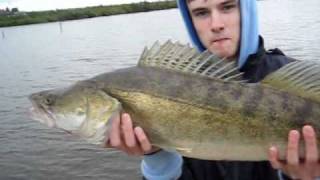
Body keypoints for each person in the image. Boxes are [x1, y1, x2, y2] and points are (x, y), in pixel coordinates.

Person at [106, 0, 320, 179]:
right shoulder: (170, 89)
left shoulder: (291, 78)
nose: (216, 24)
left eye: (227, 7)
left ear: (246, 11)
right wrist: (157, 157)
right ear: (190, 21)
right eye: (201, 13)